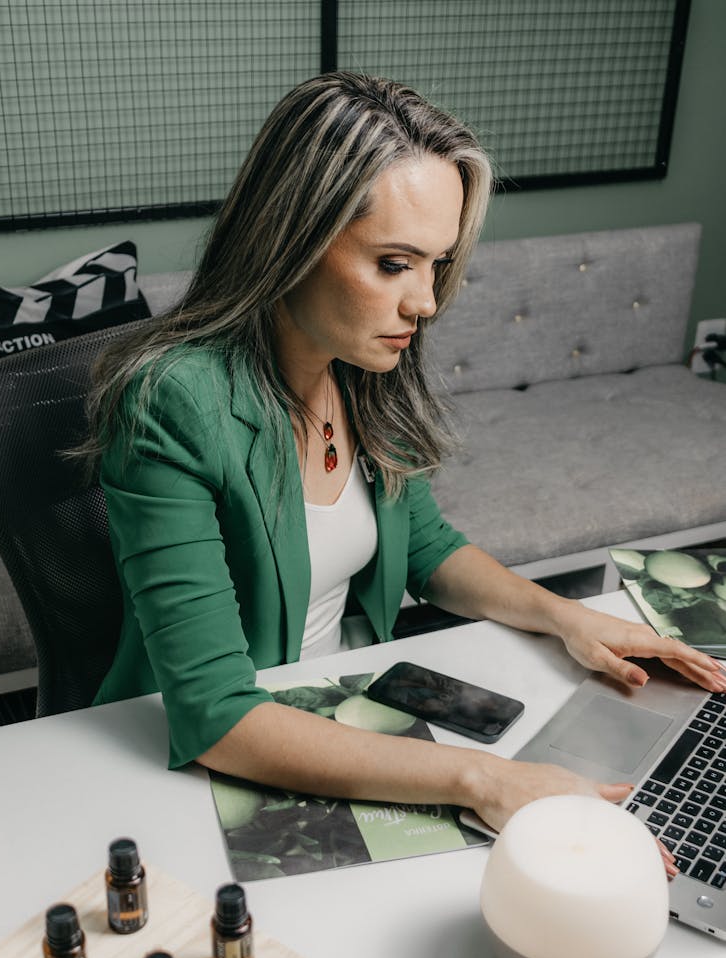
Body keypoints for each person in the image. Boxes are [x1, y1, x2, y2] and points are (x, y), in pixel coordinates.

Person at [86, 73, 726, 852]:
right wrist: (481, 779)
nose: (426, 302)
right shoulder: (173, 401)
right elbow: (217, 713)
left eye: (436, 263)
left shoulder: (357, 366)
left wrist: (569, 617)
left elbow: (429, 548)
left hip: (341, 708)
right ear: (292, 240)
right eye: (394, 263)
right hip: (218, 758)